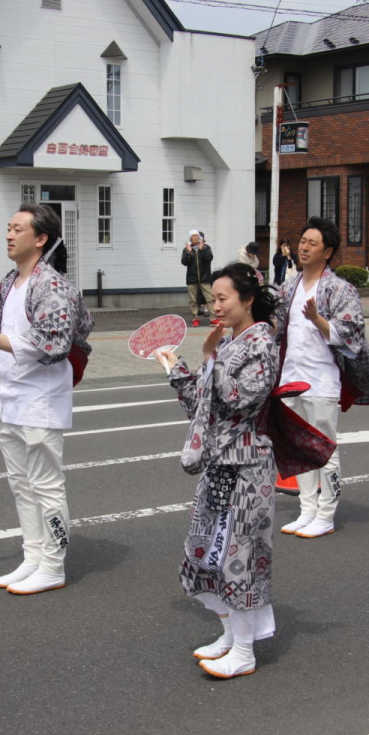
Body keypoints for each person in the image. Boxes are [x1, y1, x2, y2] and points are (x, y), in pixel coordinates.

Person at [0, 204, 93, 595]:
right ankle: (33, 556)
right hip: (9, 397)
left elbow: (54, 345)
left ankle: (53, 564)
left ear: (40, 239)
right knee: (20, 484)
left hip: (41, 399)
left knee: (45, 485)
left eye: (17, 228)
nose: (9, 234)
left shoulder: (53, 286)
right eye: (8, 228)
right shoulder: (9, 282)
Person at [156, 262, 280, 679]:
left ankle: (244, 650)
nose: (217, 305)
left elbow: (238, 399)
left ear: (248, 300)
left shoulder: (262, 343)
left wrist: (210, 358)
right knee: (209, 553)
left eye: (224, 298)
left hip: (248, 465)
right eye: (214, 298)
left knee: (239, 555)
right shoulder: (229, 341)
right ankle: (229, 635)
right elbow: (202, 406)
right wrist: (176, 367)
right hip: (220, 465)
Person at [274, 216, 369, 539]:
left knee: (324, 449)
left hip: (322, 379)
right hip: (291, 376)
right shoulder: (289, 285)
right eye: (302, 241)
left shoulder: (340, 288)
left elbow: (352, 333)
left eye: (312, 243)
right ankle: (307, 509)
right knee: (299, 447)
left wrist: (318, 319)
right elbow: (276, 324)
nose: (304, 247)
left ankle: (326, 513)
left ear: (329, 251)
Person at [181, 230, 213, 327]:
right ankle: (195, 318)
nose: (195, 238)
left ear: (199, 237)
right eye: (193, 236)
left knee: (210, 298)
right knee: (193, 300)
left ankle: (213, 319)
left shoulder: (206, 248)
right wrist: (189, 253)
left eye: (196, 236)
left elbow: (209, 258)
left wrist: (202, 249)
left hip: (205, 277)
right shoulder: (186, 249)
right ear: (190, 238)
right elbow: (184, 262)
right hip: (192, 278)